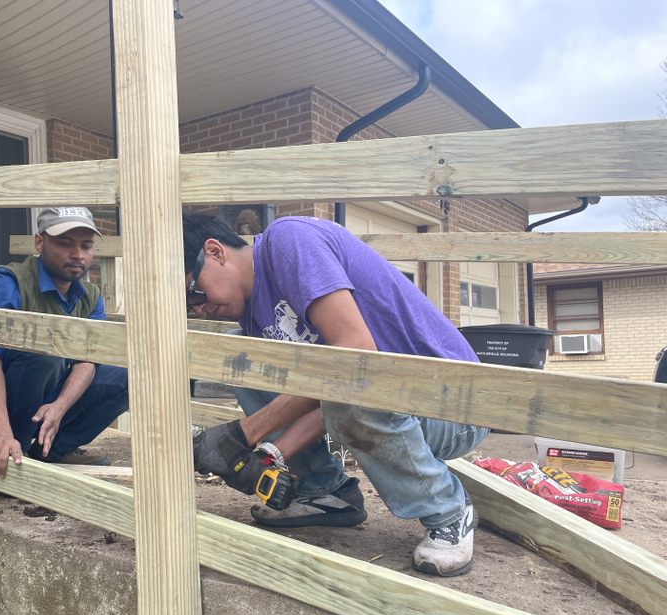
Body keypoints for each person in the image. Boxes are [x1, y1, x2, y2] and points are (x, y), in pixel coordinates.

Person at [184, 213, 489, 576]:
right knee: (240, 353)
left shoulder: (289, 240)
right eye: (189, 305)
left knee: (352, 385)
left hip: (451, 405)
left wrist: (244, 433)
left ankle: (448, 511)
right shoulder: (252, 317)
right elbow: (327, 396)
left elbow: (355, 360)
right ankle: (326, 492)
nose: (197, 307)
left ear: (215, 252)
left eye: (193, 293)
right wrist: (269, 456)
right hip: (373, 395)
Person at [0, 207, 128, 479]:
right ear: (39, 242)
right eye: (65, 244)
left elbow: (87, 360)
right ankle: (12, 452)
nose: (78, 254)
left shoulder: (90, 296)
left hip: (46, 388)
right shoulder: (7, 282)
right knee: (45, 353)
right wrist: (1, 432)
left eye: (86, 246)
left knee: (128, 375)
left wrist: (60, 406)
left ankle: (52, 450)